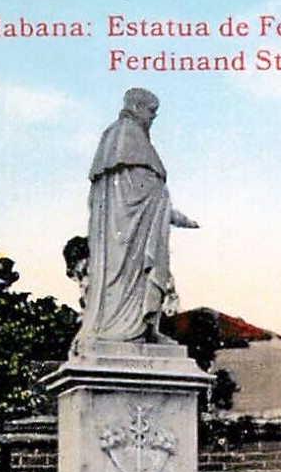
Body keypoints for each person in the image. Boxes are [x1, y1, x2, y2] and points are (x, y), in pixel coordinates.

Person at [77, 88, 197, 349]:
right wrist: (163, 205)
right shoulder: (126, 135)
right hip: (128, 231)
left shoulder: (124, 138)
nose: (153, 117)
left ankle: (145, 328)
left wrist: (164, 207)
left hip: (138, 229)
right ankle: (126, 331)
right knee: (128, 277)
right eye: (151, 111)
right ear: (136, 107)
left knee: (142, 277)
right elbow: (133, 192)